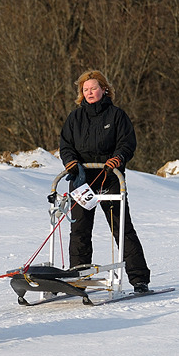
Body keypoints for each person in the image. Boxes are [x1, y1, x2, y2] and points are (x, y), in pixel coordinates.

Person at [59, 70, 150, 293]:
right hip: (82, 180)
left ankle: (139, 279)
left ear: (104, 90)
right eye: (85, 89)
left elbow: (127, 143)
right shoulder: (75, 118)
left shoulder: (117, 115)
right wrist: (70, 161)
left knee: (122, 228)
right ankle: (78, 275)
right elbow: (66, 146)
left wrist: (118, 158)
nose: (90, 92)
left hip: (109, 178)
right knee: (79, 230)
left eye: (94, 88)